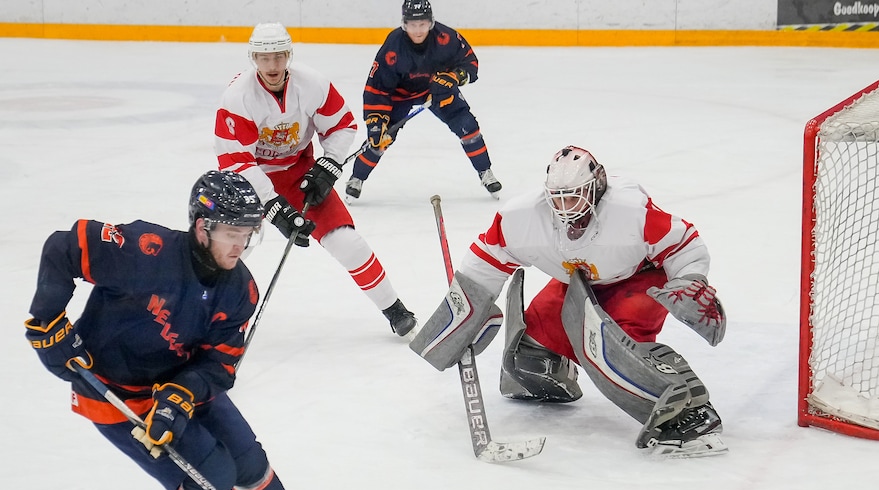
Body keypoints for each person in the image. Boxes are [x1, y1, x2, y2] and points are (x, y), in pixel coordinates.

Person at [23, 171, 345, 490]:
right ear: (201, 227)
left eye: (248, 233)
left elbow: (221, 364)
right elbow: (63, 247)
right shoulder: (145, 251)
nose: (240, 245)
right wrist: (47, 319)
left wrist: (183, 391)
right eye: (231, 232)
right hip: (115, 393)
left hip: (182, 385)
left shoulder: (239, 290)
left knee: (248, 458)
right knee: (212, 476)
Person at [410, 146, 729, 458]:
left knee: (614, 347)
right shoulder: (522, 217)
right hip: (579, 282)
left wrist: (689, 281)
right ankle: (556, 372)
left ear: (598, 186)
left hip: (639, 281)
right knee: (528, 355)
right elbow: (484, 264)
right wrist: (462, 317)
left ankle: (689, 407)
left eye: (575, 195)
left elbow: (684, 242)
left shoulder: (629, 211)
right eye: (558, 197)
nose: (566, 206)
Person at [215, 22, 417, 337]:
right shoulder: (238, 97)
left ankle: (395, 310)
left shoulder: (312, 84)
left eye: (279, 56)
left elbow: (342, 125)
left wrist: (329, 164)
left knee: (347, 242)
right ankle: (208, 318)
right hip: (247, 180)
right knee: (226, 247)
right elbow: (236, 161)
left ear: (289, 55)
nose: (273, 65)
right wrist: (272, 206)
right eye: (265, 58)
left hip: (299, 172)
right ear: (253, 58)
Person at [346, 0, 501, 201]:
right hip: (400, 95)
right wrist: (376, 120)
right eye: (412, 24)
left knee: (467, 126)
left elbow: (470, 62)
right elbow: (378, 88)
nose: (418, 30)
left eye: (422, 24)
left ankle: (485, 171)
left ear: (431, 23)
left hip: (437, 91)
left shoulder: (447, 37)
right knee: (380, 138)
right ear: (404, 24)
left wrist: (454, 77)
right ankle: (357, 178)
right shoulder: (393, 46)